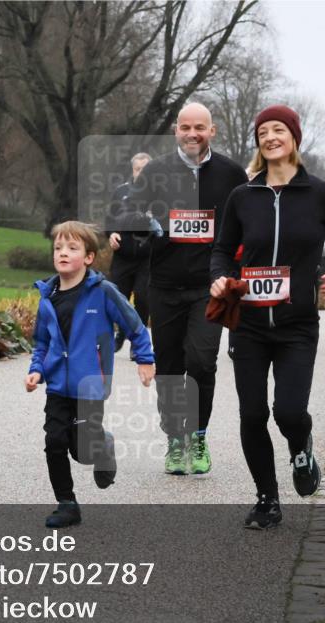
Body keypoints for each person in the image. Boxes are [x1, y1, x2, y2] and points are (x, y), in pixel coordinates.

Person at [210, 104, 325, 529]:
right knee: (252, 414)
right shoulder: (243, 196)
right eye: (263, 132)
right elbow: (221, 250)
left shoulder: (322, 195)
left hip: (296, 325)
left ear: (294, 137)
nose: (270, 137)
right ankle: (267, 499)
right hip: (249, 323)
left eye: (279, 130)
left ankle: (301, 445)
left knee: (289, 412)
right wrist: (219, 278)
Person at [123, 102, 248, 476]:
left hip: (209, 287)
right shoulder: (156, 171)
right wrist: (149, 224)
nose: (192, 134)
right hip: (163, 285)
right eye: (185, 127)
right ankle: (174, 440)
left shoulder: (231, 173)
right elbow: (131, 214)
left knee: (201, 362)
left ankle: (198, 435)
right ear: (176, 130)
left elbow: (248, 223)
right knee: (171, 369)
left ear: (213, 131)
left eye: (200, 128)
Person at [26, 221, 155, 528]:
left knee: (82, 450)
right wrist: (35, 370)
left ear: (88, 257)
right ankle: (67, 503)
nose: (63, 253)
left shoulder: (103, 293)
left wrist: (145, 359)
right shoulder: (47, 295)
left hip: (90, 386)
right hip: (57, 386)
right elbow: (42, 342)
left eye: (72, 248)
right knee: (55, 441)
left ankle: (103, 446)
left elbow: (135, 325)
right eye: (58, 247)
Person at [105, 152, 152, 357]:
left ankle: (137, 343)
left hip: (147, 257)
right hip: (123, 256)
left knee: (142, 298)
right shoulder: (120, 192)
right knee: (118, 298)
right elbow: (109, 220)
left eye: (146, 169)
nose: (141, 173)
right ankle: (121, 332)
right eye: (138, 168)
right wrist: (112, 234)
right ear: (133, 170)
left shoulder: (160, 193)